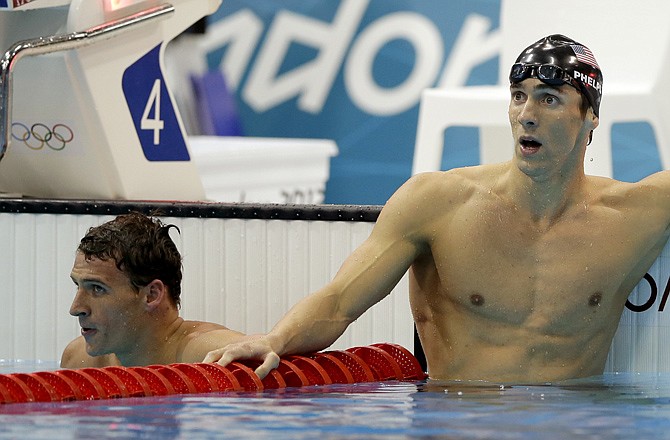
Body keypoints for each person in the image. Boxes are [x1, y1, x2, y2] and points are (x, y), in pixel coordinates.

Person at [204, 34, 670, 384]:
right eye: (519, 95)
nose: (527, 113)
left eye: (550, 99)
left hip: (579, 426)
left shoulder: (631, 215)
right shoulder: (438, 204)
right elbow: (340, 300)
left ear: (590, 116)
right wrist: (274, 340)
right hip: (458, 423)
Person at [60, 212, 245, 368]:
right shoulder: (78, 360)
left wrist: (274, 340)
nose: (76, 308)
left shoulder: (207, 354)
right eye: (78, 285)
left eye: (97, 288)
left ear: (151, 295)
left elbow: (263, 347)